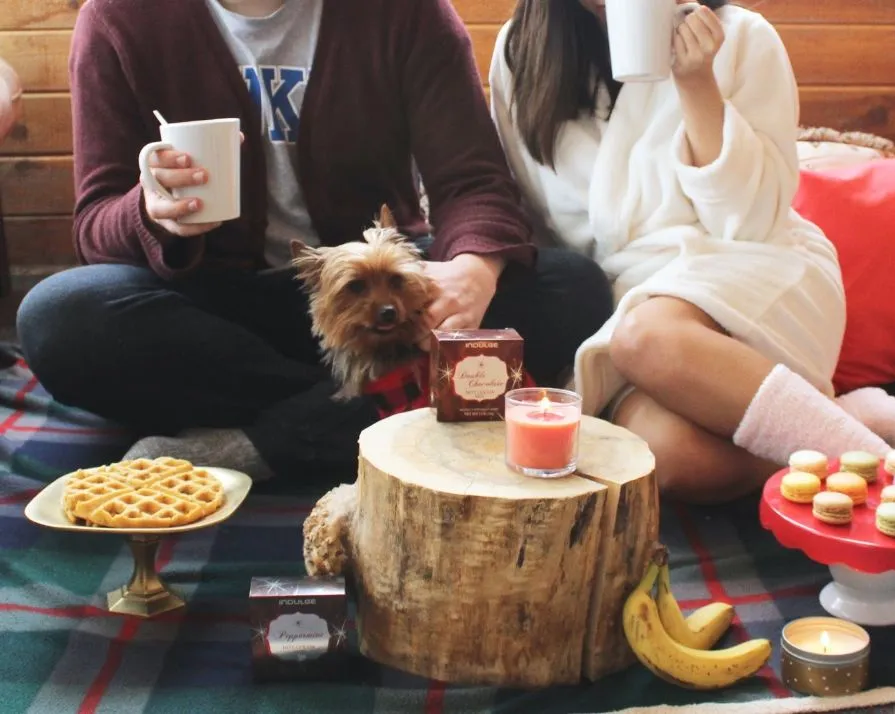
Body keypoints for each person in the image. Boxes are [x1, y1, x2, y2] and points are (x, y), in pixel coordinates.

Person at [15, 0, 613, 486]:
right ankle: (384, 414)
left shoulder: (408, 13)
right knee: (60, 317)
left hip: (381, 300)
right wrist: (151, 213)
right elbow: (95, 222)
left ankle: (257, 443)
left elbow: (472, 182)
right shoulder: (122, 17)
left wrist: (474, 268)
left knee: (574, 288)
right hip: (220, 317)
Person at [489, 0, 895, 503]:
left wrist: (696, 85)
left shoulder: (741, 36)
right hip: (627, 297)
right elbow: (538, 226)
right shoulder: (522, 54)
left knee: (648, 336)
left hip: (751, 267)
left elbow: (752, 220)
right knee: (669, 458)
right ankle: (844, 419)